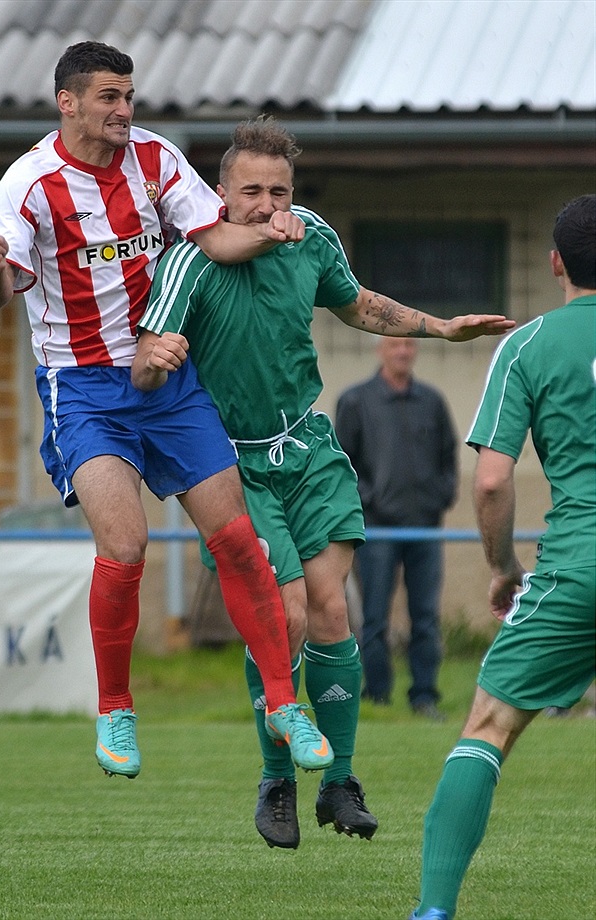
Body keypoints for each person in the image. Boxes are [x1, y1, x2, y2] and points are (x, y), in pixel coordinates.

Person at [131, 116, 515, 849]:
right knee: (289, 618)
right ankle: (277, 779)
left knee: (333, 612)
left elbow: (356, 302)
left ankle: (339, 781)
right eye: (252, 191)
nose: (269, 205)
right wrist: (157, 359)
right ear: (220, 193)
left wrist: (438, 327)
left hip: (306, 452)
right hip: (232, 466)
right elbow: (144, 365)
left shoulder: (308, 234)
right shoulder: (189, 261)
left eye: (279, 191)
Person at [0, 42, 334, 783]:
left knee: (237, 537)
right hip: (81, 388)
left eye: (129, 96)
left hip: (166, 376)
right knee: (128, 543)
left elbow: (215, 240)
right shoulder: (28, 186)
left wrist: (269, 228)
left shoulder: (156, 158)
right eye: (108, 97)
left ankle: (281, 700)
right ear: (67, 102)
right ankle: (115, 708)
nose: (124, 111)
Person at [407, 193, 596, 920]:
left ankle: (434, 910)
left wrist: (504, 568)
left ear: (555, 265)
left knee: (487, 729)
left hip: (578, 567)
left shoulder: (526, 344)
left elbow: (490, 482)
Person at [335, 338, 458, 720]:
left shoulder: (432, 401)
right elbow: (343, 463)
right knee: (374, 618)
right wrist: (370, 500)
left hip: (425, 528)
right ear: (380, 351)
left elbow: (448, 456)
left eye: (408, 345)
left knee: (425, 616)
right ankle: (378, 699)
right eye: (394, 345)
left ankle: (424, 697)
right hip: (377, 531)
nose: (402, 352)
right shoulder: (356, 401)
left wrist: (440, 497)